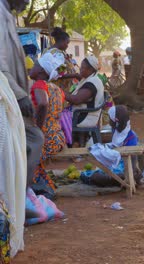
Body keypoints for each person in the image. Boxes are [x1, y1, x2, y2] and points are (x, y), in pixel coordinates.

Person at [0, 0, 42, 257]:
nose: (27, 2)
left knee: (26, 145)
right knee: (13, 154)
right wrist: (20, 95)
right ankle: (11, 208)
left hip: (11, 96)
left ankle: (15, 203)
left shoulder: (8, 14)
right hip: (6, 96)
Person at [29, 52, 66, 193]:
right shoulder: (57, 90)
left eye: (35, 65)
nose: (31, 67)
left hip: (46, 139)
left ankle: (40, 189)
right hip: (58, 138)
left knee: (23, 154)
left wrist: (37, 129)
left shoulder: (39, 85)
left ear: (41, 71)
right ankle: (44, 187)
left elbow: (43, 103)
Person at [81, 105, 140, 187]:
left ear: (116, 120)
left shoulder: (131, 137)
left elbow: (133, 160)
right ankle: (117, 179)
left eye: (110, 118)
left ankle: (123, 180)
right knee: (92, 174)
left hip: (127, 167)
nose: (108, 120)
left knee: (98, 177)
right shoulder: (116, 130)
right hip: (117, 166)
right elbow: (115, 146)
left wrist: (130, 174)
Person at [63, 54, 105, 146]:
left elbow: (77, 99)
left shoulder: (92, 82)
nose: (80, 70)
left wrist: (59, 92)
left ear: (90, 70)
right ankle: (74, 144)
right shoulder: (89, 79)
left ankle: (70, 144)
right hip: (82, 113)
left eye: (82, 68)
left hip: (84, 116)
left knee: (57, 118)